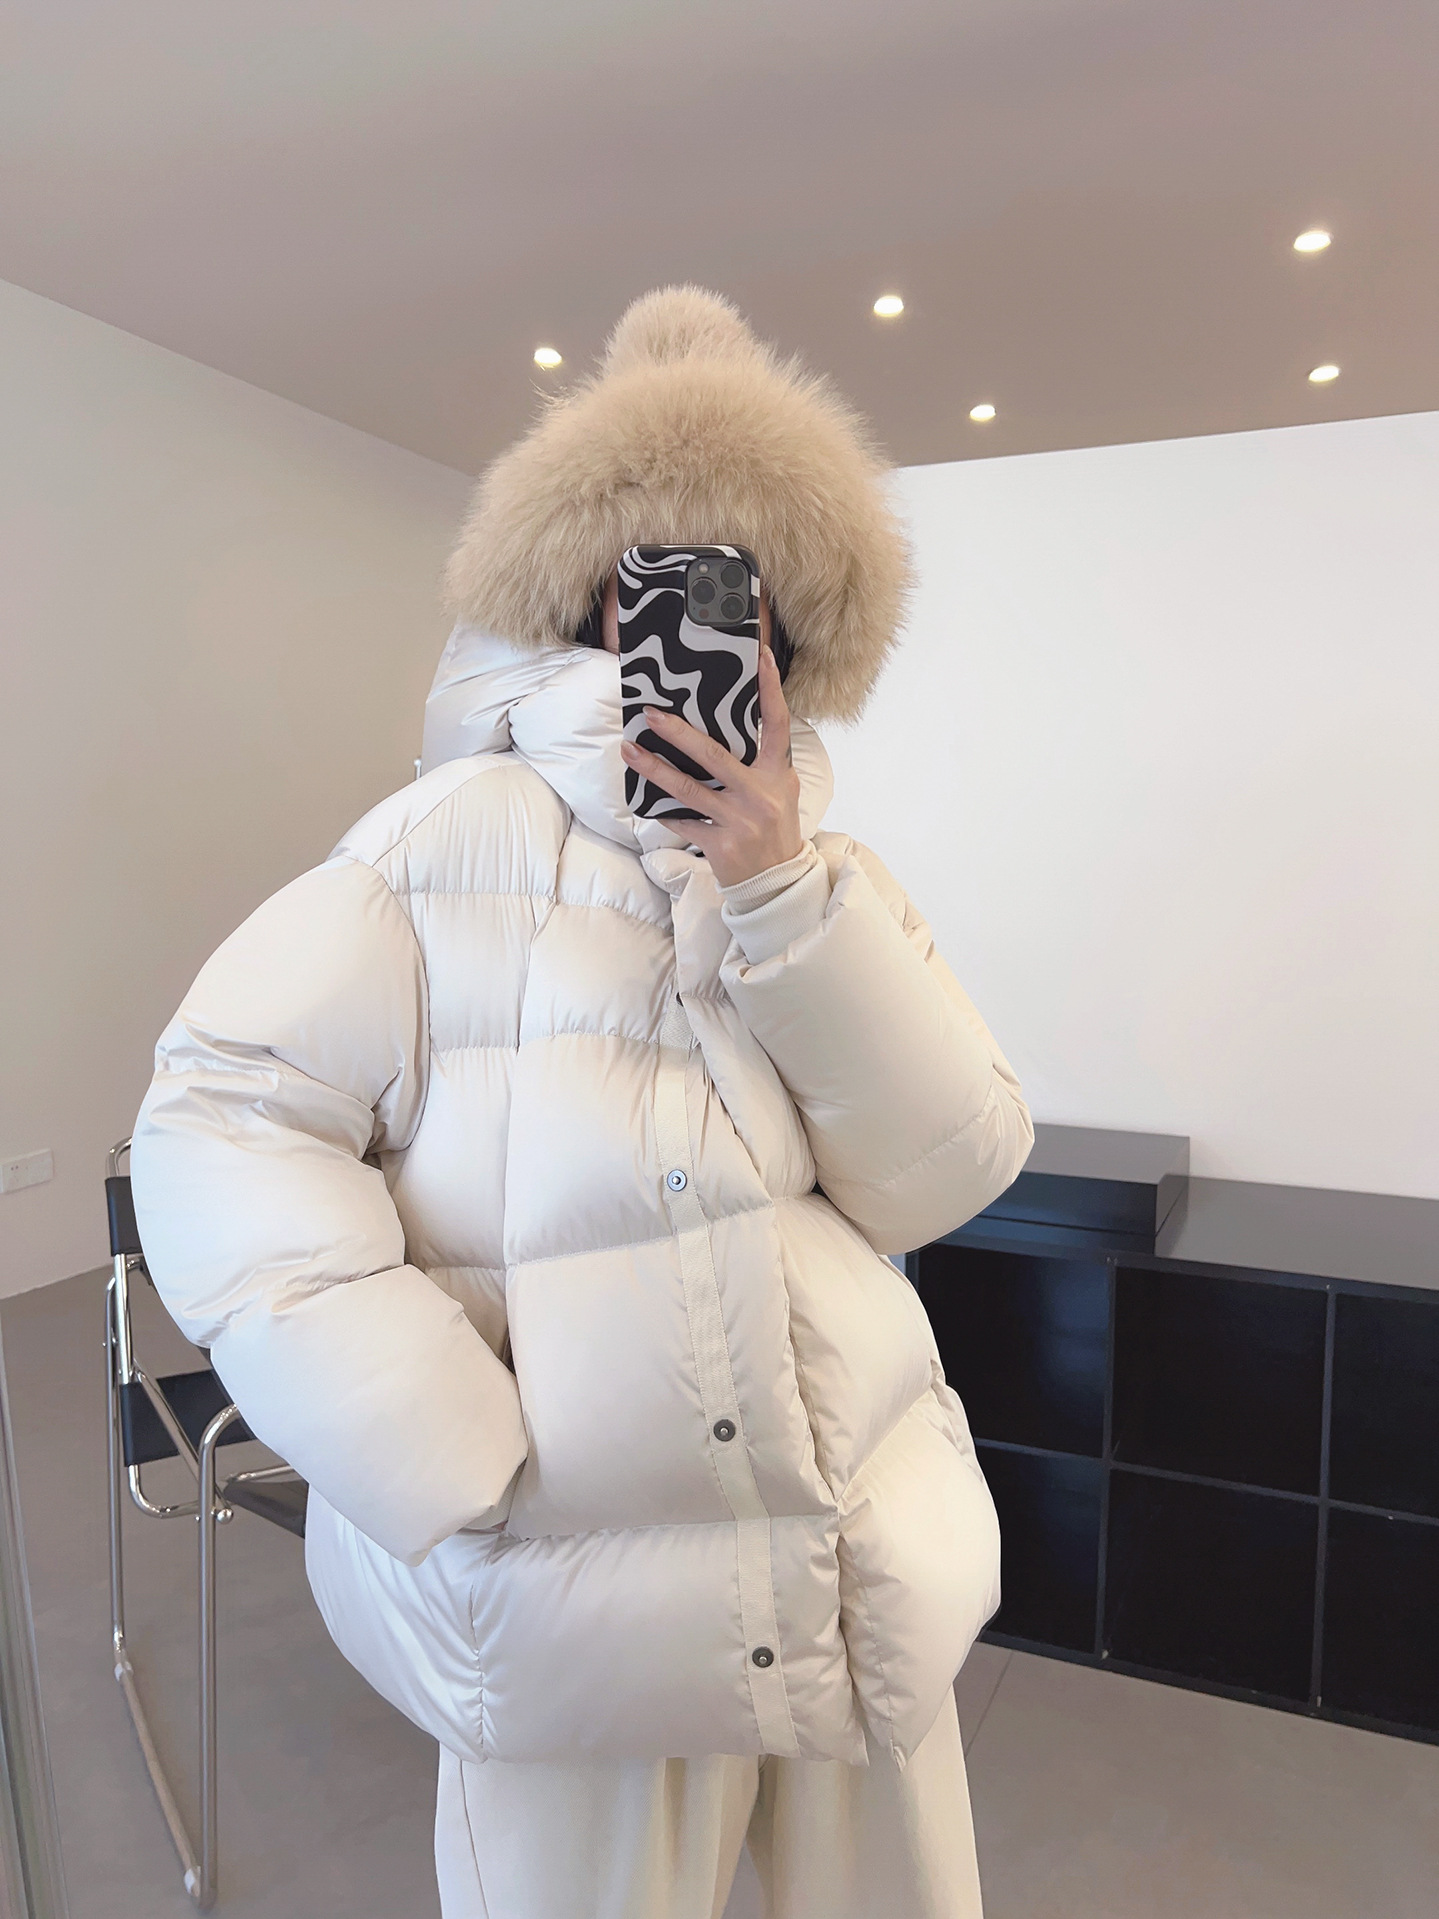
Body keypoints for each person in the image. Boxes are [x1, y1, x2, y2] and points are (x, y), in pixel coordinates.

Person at [131, 286, 1033, 1919]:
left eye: (746, 595)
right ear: (583, 599)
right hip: (573, 1608)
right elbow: (219, 1116)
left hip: (844, 1569)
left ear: (792, 636)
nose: (701, 630)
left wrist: (782, 898)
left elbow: (945, 1172)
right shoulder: (440, 844)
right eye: (663, 582)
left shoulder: (830, 881)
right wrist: (438, 1442)